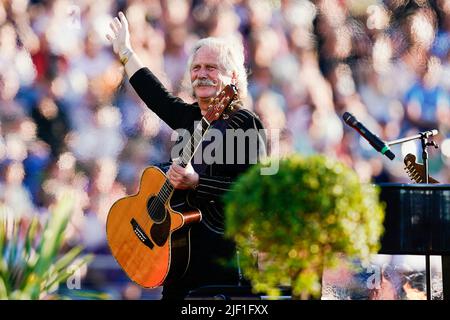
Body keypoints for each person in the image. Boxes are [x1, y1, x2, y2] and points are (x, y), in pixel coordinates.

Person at [106, 12, 266, 299]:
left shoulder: (245, 123)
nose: (201, 74)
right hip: (179, 262)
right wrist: (126, 52)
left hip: (224, 264)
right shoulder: (190, 117)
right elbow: (155, 95)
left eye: (211, 68)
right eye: (197, 67)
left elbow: (255, 193)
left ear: (232, 78)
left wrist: (197, 182)